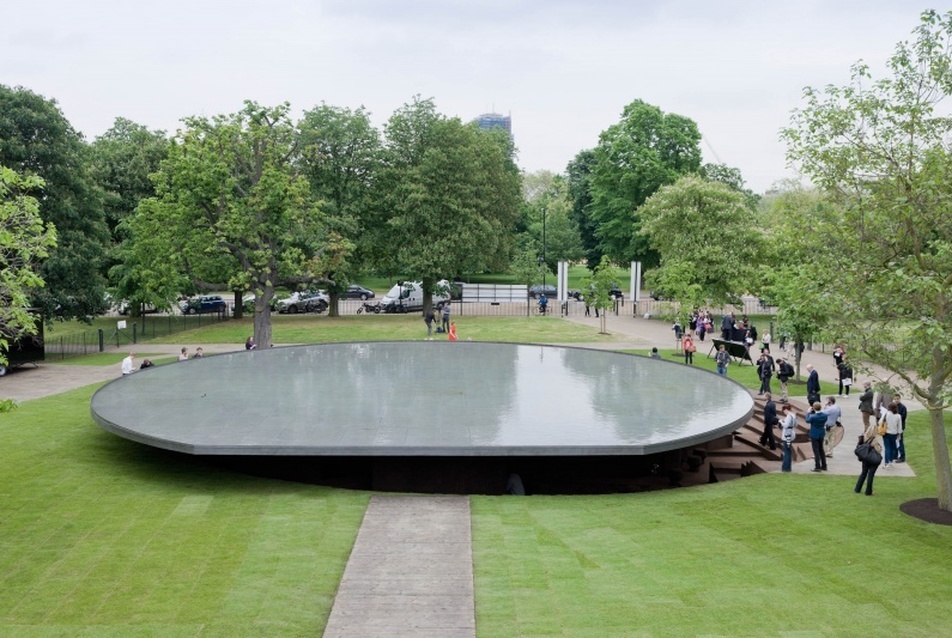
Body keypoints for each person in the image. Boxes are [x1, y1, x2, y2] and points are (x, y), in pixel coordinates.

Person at [855, 419, 883, 495]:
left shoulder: (863, 437)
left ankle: (857, 488)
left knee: (863, 472)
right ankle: (868, 491)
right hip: (872, 459)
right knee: (871, 474)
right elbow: (878, 450)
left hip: (865, 458)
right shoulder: (874, 440)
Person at [806, 402, 829, 472]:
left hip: (814, 434)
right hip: (821, 433)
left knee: (816, 451)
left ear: (813, 408)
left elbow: (807, 420)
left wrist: (808, 413)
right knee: (821, 449)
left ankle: (817, 466)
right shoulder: (825, 415)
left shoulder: (813, 417)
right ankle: (824, 465)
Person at [881, 402, 903, 468]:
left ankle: (886, 462)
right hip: (894, 434)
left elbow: (880, 422)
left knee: (887, 448)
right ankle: (890, 461)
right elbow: (899, 427)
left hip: (886, 433)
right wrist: (899, 434)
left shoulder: (886, 414)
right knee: (893, 448)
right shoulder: (898, 416)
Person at [780, 404, 797, 472]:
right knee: (788, 450)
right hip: (791, 433)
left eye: (784, 411)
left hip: (787, 434)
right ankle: (788, 467)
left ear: (786, 410)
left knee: (786, 451)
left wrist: (781, 422)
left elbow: (786, 425)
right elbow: (796, 424)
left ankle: (785, 467)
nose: (784, 412)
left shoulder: (789, 416)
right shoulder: (794, 415)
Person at [895, 395, 908, 463]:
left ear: (899, 399)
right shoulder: (893, 406)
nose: (896, 400)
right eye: (895, 399)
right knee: (895, 441)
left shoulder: (903, 407)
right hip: (894, 427)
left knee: (900, 441)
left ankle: (902, 457)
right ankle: (895, 455)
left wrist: (897, 417)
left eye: (897, 399)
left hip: (900, 427)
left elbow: (903, 417)